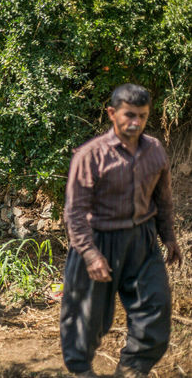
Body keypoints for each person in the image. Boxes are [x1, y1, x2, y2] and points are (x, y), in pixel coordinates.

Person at [60, 83, 183, 378]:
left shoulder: (154, 151)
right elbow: (75, 212)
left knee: (155, 308)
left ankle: (131, 370)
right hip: (97, 240)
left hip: (142, 241)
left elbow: (163, 199)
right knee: (86, 319)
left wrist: (169, 237)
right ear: (112, 113)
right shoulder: (90, 156)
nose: (136, 122)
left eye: (142, 116)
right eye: (129, 115)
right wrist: (90, 254)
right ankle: (81, 372)